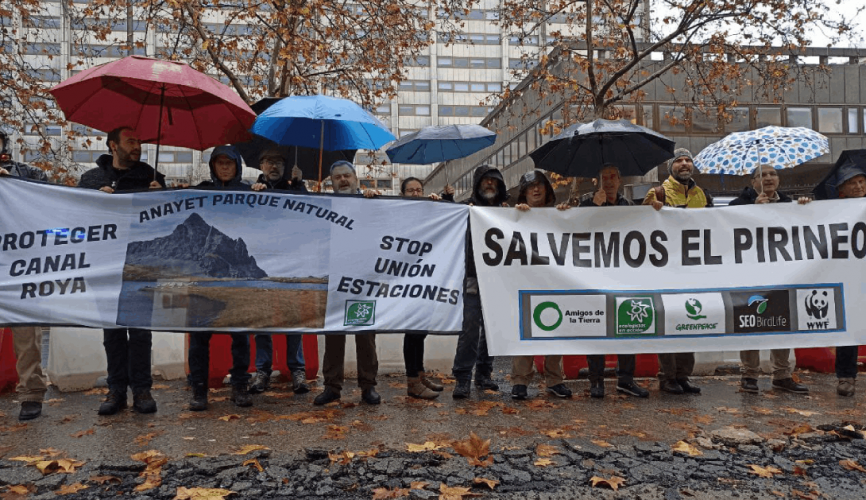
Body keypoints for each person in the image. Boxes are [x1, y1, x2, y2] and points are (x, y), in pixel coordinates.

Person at [79, 126, 165, 415]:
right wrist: (96, 203)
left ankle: (142, 389)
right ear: (113, 145)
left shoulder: (152, 177)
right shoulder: (91, 180)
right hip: (105, 265)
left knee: (140, 332)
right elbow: (77, 221)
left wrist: (161, 197)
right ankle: (116, 390)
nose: (137, 145)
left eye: (139, 140)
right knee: (113, 332)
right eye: (131, 141)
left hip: (142, 265)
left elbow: (166, 224)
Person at [730, 166, 810, 394]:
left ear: (779, 179)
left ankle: (782, 375)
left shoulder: (789, 203)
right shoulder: (738, 204)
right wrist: (752, 211)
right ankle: (749, 375)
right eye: (762, 175)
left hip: (781, 274)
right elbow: (726, 228)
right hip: (749, 274)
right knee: (749, 324)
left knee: (782, 323)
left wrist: (804, 208)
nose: (768, 178)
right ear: (753, 181)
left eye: (772, 174)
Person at [187, 146, 253, 411]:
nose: (225, 167)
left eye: (230, 163)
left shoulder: (249, 193)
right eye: (220, 163)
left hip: (237, 274)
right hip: (203, 275)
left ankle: (240, 386)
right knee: (199, 336)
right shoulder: (199, 190)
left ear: (238, 166)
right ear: (213, 166)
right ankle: (199, 390)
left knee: (240, 336)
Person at [578, 165, 650, 399]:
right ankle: (596, 380)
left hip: (623, 277)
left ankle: (625, 380)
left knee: (627, 328)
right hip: (595, 277)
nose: (608, 182)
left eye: (612, 177)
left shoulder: (628, 206)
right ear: (597, 181)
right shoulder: (586, 203)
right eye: (603, 178)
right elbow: (577, 232)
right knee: (596, 329)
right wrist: (594, 209)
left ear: (619, 180)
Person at [643, 148, 709, 395]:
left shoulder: (701, 194)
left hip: (692, 270)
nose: (684, 164)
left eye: (688, 160)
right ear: (670, 167)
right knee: (668, 323)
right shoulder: (657, 192)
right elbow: (638, 225)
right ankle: (667, 377)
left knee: (690, 321)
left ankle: (683, 375)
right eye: (679, 160)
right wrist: (652, 210)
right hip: (665, 271)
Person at [314, 161, 380, 405]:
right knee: (333, 336)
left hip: (363, 280)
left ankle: (368, 386)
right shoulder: (324, 205)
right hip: (334, 280)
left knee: (365, 336)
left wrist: (374, 202)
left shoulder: (370, 203)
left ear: (356, 179)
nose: (342, 180)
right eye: (337, 177)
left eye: (346, 176)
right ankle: (332, 386)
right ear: (331, 182)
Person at [247, 149, 310, 395]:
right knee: (262, 320)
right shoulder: (250, 189)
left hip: (291, 263)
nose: (274, 167)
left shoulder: (294, 186)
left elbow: (309, 212)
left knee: (293, 318)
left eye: (279, 163)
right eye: (269, 162)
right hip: (261, 264)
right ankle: (262, 370)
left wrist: (300, 184)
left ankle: (297, 369)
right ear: (261, 165)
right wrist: (251, 193)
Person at [0, 129, 50, 420]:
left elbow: (47, 196)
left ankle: (31, 393)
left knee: (27, 333)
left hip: (21, 265)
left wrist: (14, 185)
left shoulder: (25, 172)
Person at [510, 170, 572, 400]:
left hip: (553, 280)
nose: (535, 190)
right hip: (524, 281)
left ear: (547, 190)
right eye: (530, 186)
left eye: (540, 186)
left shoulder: (558, 214)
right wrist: (515, 216)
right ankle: (520, 381)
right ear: (523, 192)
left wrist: (566, 214)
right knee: (525, 332)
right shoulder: (513, 216)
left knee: (555, 328)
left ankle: (555, 380)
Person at [452, 164, 509, 399]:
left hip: (498, 279)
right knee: (469, 329)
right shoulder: (465, 209)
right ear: (477, 184)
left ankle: (484, 374)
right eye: (485, 180)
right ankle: (463, 377)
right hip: (473, 277)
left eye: (494, 181)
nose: (489, 184)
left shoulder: (506, 211)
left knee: (492, 329)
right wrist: (447, 199)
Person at [399, 177, 453, 399]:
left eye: (418, 190)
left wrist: (446, 200)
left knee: (420, 332)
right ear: (402, 194)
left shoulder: (430, 210)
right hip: (406, 281)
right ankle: (412, 381)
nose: (415, 193)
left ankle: (419, 374)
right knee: (412, 332)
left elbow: (452, 221)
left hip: (426, 280)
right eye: (410, 190)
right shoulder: (397, 213)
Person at [827, 164, 865, 397]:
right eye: (853, 182)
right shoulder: (832, 210)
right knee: (849, 328)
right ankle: (846, 377)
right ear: (842, 188)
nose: (859, 186)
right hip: (849, 276)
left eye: (862, 181)